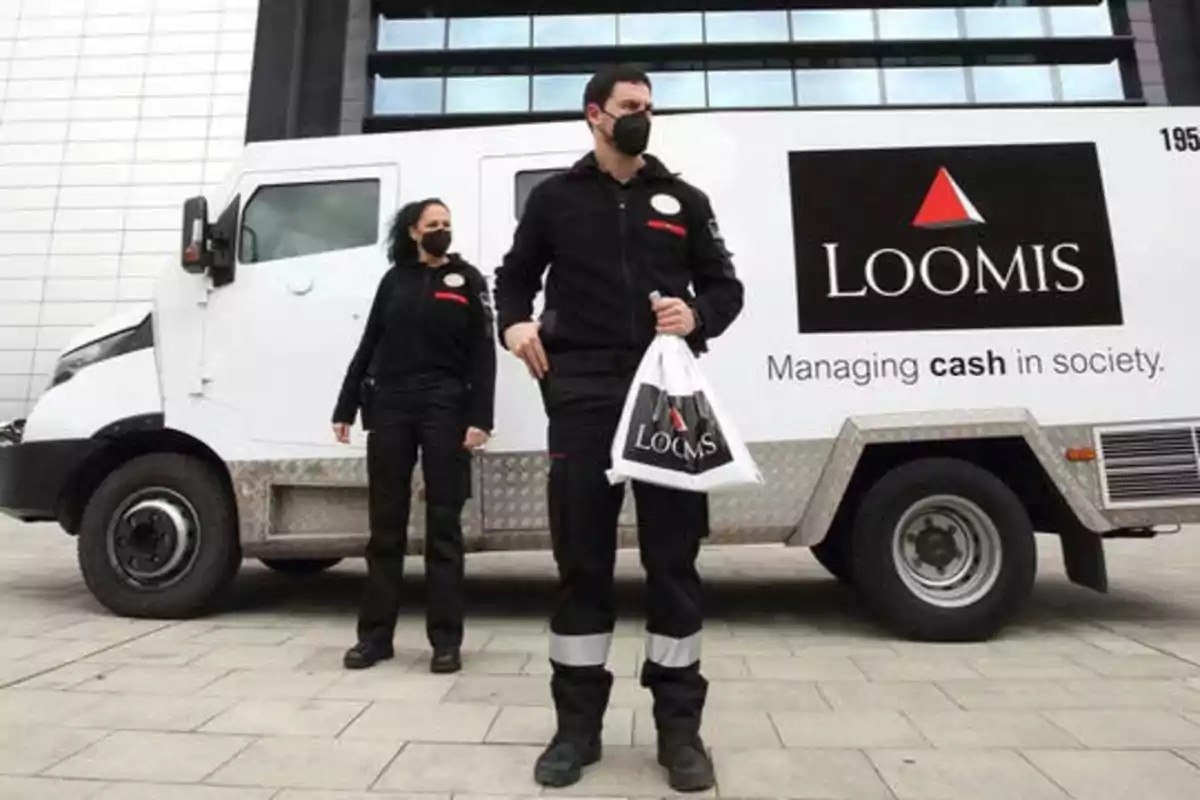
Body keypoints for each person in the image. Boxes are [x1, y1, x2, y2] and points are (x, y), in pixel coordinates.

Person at [492, 64, 745, 792]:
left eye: (649, 107)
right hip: (583, 392)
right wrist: (513, 323)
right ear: (594, 115)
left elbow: (726, 285)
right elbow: (513, 276)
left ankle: (679, 732)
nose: (643, 117)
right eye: (630, 106)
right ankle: (576, 730)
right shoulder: (554, 200)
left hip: (668, 389)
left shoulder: (684, 199)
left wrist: (698, 315)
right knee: (582, 561)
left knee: (674, 560)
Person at [332, 198, 496, 675]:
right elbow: (369, 344)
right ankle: (375, 638)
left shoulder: (467, 281)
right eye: (432, 225)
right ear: (412, 232)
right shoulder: (394, 281)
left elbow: (483, 354)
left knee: (443, 528)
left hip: (445, 404)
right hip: (390, 405)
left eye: (447, 223)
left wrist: (480, 417)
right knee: (386, 527)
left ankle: (445, 642)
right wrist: (345, 406)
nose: (442, 230)